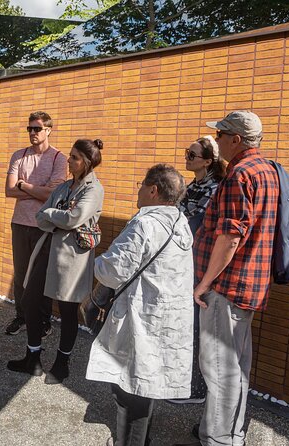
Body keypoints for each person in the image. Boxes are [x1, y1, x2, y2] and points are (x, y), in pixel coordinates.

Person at [175, 111, 279, 446]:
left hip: (227, 287)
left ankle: (218, 441)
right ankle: (230, 436)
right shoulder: (267, 170)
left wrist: (203, 283)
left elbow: (230, 236)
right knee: (235, 370)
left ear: (236, 139)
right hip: (249, 285)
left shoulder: (240, 175)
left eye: (220, 134)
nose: (216, 140)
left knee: (219, 371)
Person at [87, 164, 194, 446]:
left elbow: (113, 270)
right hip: (166, 319)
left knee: (129, 390)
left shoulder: (145, 223)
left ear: (153, 189)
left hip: (141, 318)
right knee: (146, 385)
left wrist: (90, 257)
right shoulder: (180, 222)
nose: (138, 189)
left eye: (140, 183)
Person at [7, 139, 104, 384]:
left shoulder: (93, 189)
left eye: (74, 157)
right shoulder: (63, 188)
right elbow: (41, 218)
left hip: (72, 257)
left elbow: (74, 218)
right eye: (70, 156)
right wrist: (54, 216)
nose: (69, 161)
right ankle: (33, 358)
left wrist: (52, 215)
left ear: (87, 162)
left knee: (68, 309)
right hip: (47, 249)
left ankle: (62, 364)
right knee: (30, 300)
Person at [169, 136, 226, 405]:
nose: (187, 158)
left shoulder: (213, 188)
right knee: (185, 325)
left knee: (195, 327)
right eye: (186, 153)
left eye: (192, 155)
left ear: (207, 161)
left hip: (200, 267)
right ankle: (185, 383)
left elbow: (191, 224)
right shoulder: (194, 185)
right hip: (185, 263)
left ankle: (196, 389)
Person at [4, 111, 68, 336]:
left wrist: (24, 185)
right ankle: (21, 317)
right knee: (21, 274)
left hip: (45, 225)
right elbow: (8, 190)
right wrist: (38, 190)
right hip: (20, 223)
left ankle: (43, 321)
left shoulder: (58, 158)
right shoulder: (19, 156)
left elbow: (54, 196)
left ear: (48, 130)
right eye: (29, 128)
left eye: (37, 128)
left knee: (42, 274)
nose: (32, 132)